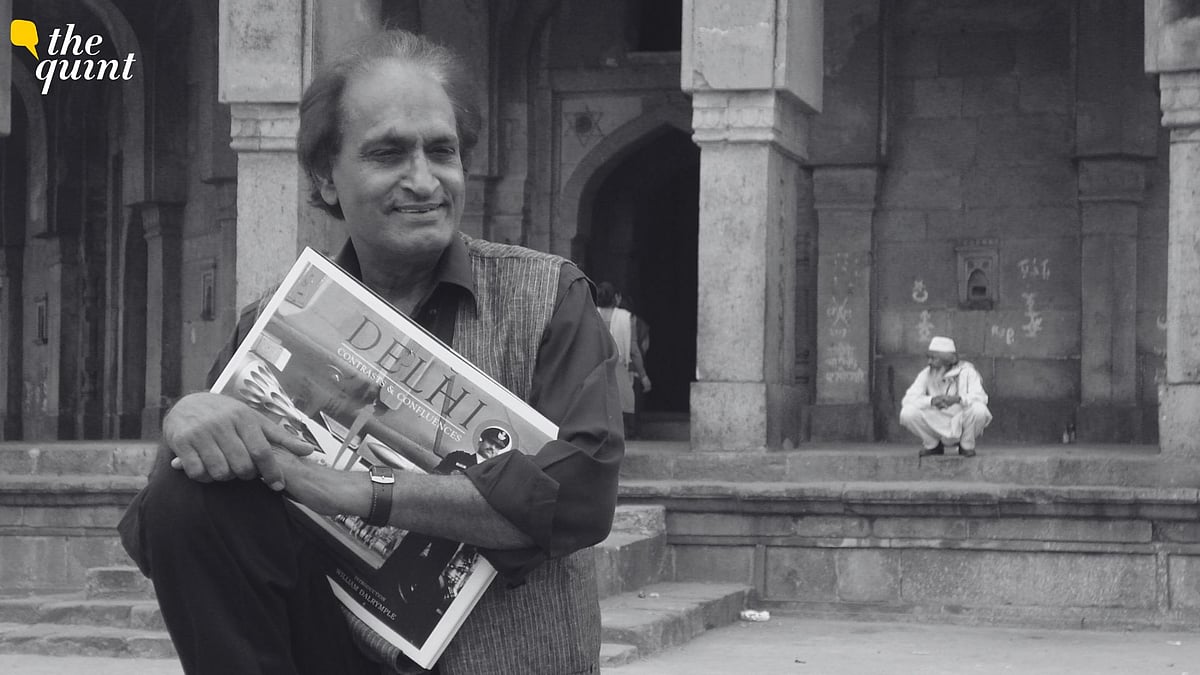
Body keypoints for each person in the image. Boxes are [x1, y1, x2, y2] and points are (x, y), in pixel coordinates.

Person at [117, 30, 623, 675]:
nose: (424, 180)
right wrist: (188, 421)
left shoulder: (549, 295)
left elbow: (576, 501)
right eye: (388, 154)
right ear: (327, 180)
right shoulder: (284, 317)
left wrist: (352, 488)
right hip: (332, 652)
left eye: (441, 151)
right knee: (187, 487)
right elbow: (189, 526)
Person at [899, 336, 992, 458]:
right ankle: (932, 445)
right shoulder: (927, 373)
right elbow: (908, 399)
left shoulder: (968, 372)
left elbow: (981, 397)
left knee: (979, 410)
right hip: (937, 419)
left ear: (947, 360)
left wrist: (958, 399)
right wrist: (931, 401)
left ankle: (966, 445)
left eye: (934, 358)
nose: (929, 362)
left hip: (961, 419)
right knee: (908, 412)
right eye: (929, 358)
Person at [595, 282, 650, 439]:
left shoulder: (591, 315)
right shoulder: (627, 318)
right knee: (622, 406)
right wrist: (644, 376)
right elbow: (633, 350)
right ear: (617, 298)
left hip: (594, 369)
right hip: (619, 368)